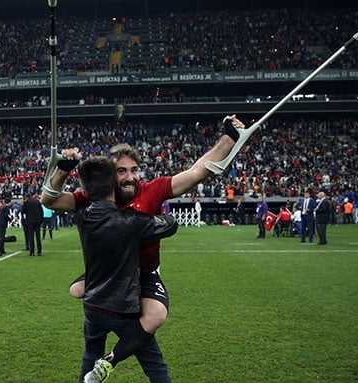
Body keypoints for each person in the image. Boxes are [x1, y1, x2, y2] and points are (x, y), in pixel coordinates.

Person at [42, 115, 245, 338]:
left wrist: (229, 138)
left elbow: (197, 172)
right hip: (111, 273)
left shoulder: (153, 189)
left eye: (135, 170)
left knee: (155, 315)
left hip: (145, 272)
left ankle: (117, 353)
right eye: (122, 171)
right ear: (111, 175)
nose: (130, 177)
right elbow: (50, 200)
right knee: (76, 290)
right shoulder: (98, 196)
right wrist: (63, 169)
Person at [73, 156, 183, 383]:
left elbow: (50, 197)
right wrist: (154, 212)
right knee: (156, 369)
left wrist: (63, 166)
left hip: (94, 307)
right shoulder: (129, 221)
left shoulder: (82, 216)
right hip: (124, 306)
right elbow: (169, 225)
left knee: (90, 354)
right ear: (113, 183)